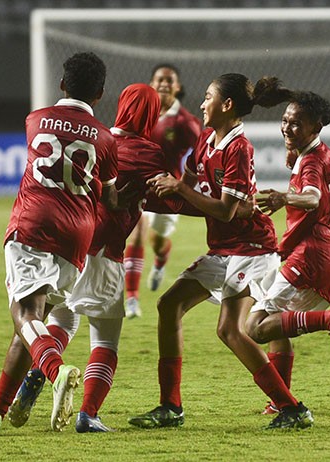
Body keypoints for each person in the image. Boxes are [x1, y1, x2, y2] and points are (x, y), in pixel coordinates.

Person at [128, 74, 314, 430]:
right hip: (225, 248)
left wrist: (179, 188)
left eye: (208, 96)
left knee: (230, 330)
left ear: (226, 105)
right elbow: (193, 199)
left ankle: (292, 408)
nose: (202, 103)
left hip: (252, 248)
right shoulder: (205, 139)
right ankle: (170, 407)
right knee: (170, 305)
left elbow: (226, 210)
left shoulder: (239, 148)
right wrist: (144, 199)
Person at [0, 52, 120, 436]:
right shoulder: (105, 138)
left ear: (62, 84)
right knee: (32, 325)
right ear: (100, 94)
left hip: (34, 225)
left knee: (24, 315)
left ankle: (56, 371)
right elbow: (111, 198)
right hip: (77, 237)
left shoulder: (35, 119)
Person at [6, 83, 165, 433]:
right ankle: (88, 414)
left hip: (72, 249)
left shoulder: (101, 138)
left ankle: (35, 379)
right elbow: (166, 198)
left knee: (62, 322)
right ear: (153, 115)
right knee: (105, 341)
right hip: (107, 254)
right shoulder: (151, 153)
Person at [244, 90, 330, 415]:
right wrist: (294, 153)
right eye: (285, 121)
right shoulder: (320, 152)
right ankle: (280, 401)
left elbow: (312, 198)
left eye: (296, 123)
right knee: (277, 324)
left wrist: (284, 197)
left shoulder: (310, 162)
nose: (287, 128)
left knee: (255, 327)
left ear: (315, 127)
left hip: (312, 257)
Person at [124, 64, 202, 319]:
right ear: (152, 84)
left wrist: (188, 185)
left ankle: (160, 259)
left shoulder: (185, 122)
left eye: (170, 80)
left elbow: (201, 153)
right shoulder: (141, 114)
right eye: (160, 79)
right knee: (136, 235)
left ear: (177, 87)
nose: (164, 84)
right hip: (141, 186)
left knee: (157, 241)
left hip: (168, 190)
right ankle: (132, 299)